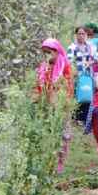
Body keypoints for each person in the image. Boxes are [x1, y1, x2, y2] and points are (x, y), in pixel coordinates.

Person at [36, 38, 74, 173]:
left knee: (63, 134)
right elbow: (38, 86)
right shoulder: (43, 67)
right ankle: (48, 161)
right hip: (46, 106)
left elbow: (68, 87)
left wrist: (60, 101)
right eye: (44, 53)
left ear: (56, 51)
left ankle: (60, 163)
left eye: (49, 52)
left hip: (61, 106)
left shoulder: (65, 66)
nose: (47, 55)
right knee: (48, 132)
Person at [67, 26, 98, 124]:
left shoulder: (90, 46)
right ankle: (76, 118)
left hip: (88, 76)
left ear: (86, 35)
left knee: (88, 95)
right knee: (77, 95)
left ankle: (85, 119)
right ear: (76, 35)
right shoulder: (72, 47)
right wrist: (74, 71)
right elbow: (69, 61)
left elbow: (97, 58)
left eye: (83, 34)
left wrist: (90, 62)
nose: (81, 36)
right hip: (77, 76)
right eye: (79, 34)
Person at [84, 22, 98, 89]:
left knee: (96, 82)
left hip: (96, 63)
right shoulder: (87, 37)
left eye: (88, 29)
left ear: (92, 29)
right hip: (87, 63)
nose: (86, 30)